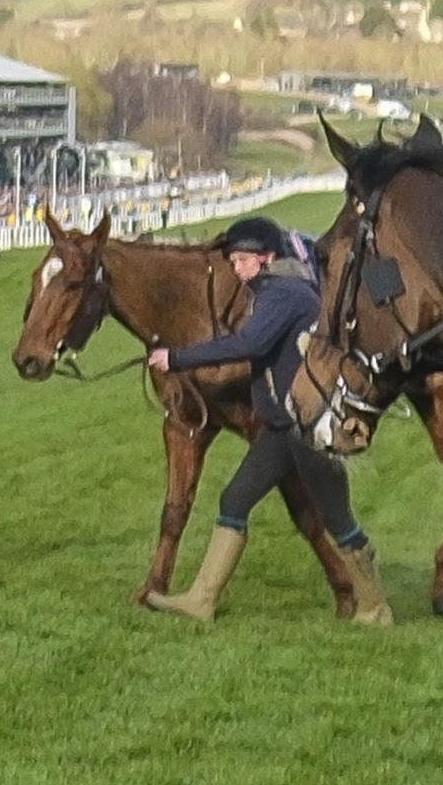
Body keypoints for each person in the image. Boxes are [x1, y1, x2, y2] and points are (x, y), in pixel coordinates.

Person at [147, 215, 384, 624]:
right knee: (234, 501)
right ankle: (201, 601)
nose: (236, 270)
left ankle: (375, 607)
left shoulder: (284, 293)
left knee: (338, 520)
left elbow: (250, 343)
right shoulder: (274, 290)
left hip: (305, 430)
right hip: (280, 428)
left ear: (267, 258)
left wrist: (177, 358)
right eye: (234, 261)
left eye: (242, 261)